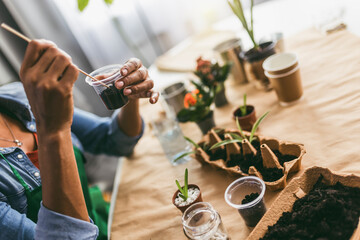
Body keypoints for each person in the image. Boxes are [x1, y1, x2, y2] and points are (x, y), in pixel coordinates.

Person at [0, 39, 158, 239]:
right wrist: (53, 128)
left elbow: (115, 141)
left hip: (113, 223)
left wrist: (129, 95)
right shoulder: (37, 100)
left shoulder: (20, 96)